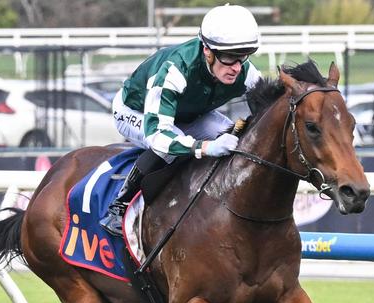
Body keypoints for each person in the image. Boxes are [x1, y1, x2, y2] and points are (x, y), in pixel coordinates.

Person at [100, 4, 262, 236]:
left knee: (232, 137)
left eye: (242, 57)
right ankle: (119, 206)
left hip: (188, 114)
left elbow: (266, 110)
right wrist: (204, 147)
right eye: (228, 58)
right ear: (207, 50)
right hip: (137, 112)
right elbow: (159, 134)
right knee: (170, 148)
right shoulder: (176, 69)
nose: (236, 67)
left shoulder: (245, 70)